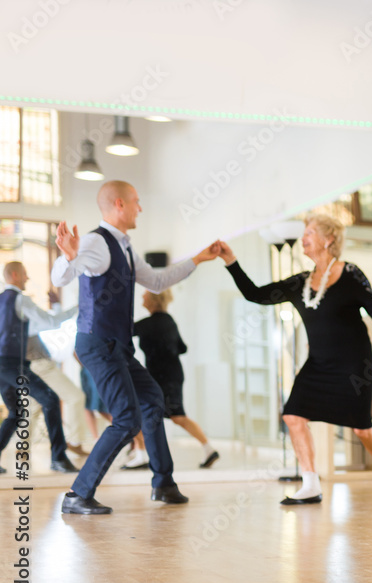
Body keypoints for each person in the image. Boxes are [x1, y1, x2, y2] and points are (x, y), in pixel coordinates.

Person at [51, 180, 220, 515]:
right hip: (98, 343)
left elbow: (156, 281)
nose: (140, 207)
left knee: (153, 401)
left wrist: (198, 259)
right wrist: (67, 256)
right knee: (128, 418)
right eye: (137, 202)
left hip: (118, 346)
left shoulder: (125, 247)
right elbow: (61, 278)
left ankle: (163, 484)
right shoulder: (96, 242)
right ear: (119, 204)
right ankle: (77, 495)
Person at [218, 213, 372, 505]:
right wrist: (231, 262)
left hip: (354, 365)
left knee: (362, 428)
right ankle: (310, 485)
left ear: (329, 238)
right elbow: (256, 294)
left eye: (309, 232)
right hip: (318, 364)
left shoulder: (350, 273)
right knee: (293, 416)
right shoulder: (300, 283)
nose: (303, 238)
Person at [0, 261, 78, 474]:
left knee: (16, 412)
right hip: (13, 364)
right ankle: (59, 457)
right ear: (15, 275)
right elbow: (51, 323)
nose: (27, 278)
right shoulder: (20, 299)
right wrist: (78, 307)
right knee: (50, 398)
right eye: (25, 274)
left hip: (2, 366)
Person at [132, 289, 219, 469]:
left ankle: (141, 455)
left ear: (153, 300)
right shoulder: (168, 321)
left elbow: (125, 331)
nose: (142, 297)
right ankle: (208, 449)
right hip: (171, 374)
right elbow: (182, 348)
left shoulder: (149, 323)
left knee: (143, 414)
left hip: (162, 377)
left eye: (145, 295)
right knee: (176, 416)